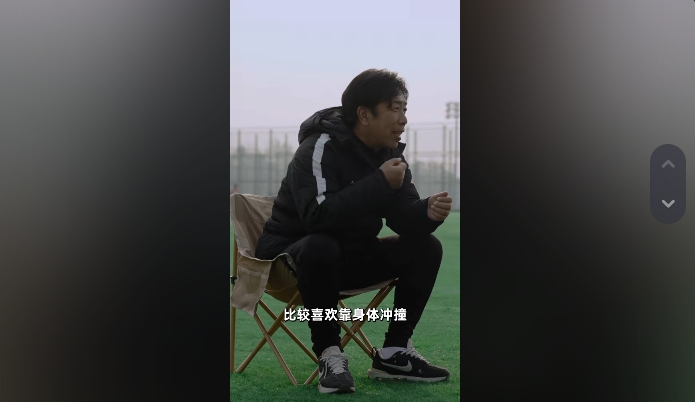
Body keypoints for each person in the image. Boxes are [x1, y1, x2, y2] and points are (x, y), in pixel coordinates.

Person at [255, 68, 453, 394]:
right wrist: (379, 183)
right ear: (364, 114)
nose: (403, 119)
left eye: (405, 109)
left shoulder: (389, 155)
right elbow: (316, 216)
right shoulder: (319, 147)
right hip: (289, 263)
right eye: (394, 108)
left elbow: (403, 219)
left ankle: (394, 353)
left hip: (347, 257)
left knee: (427, 247)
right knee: (321, 245)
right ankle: (329, 354)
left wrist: (427, 213)